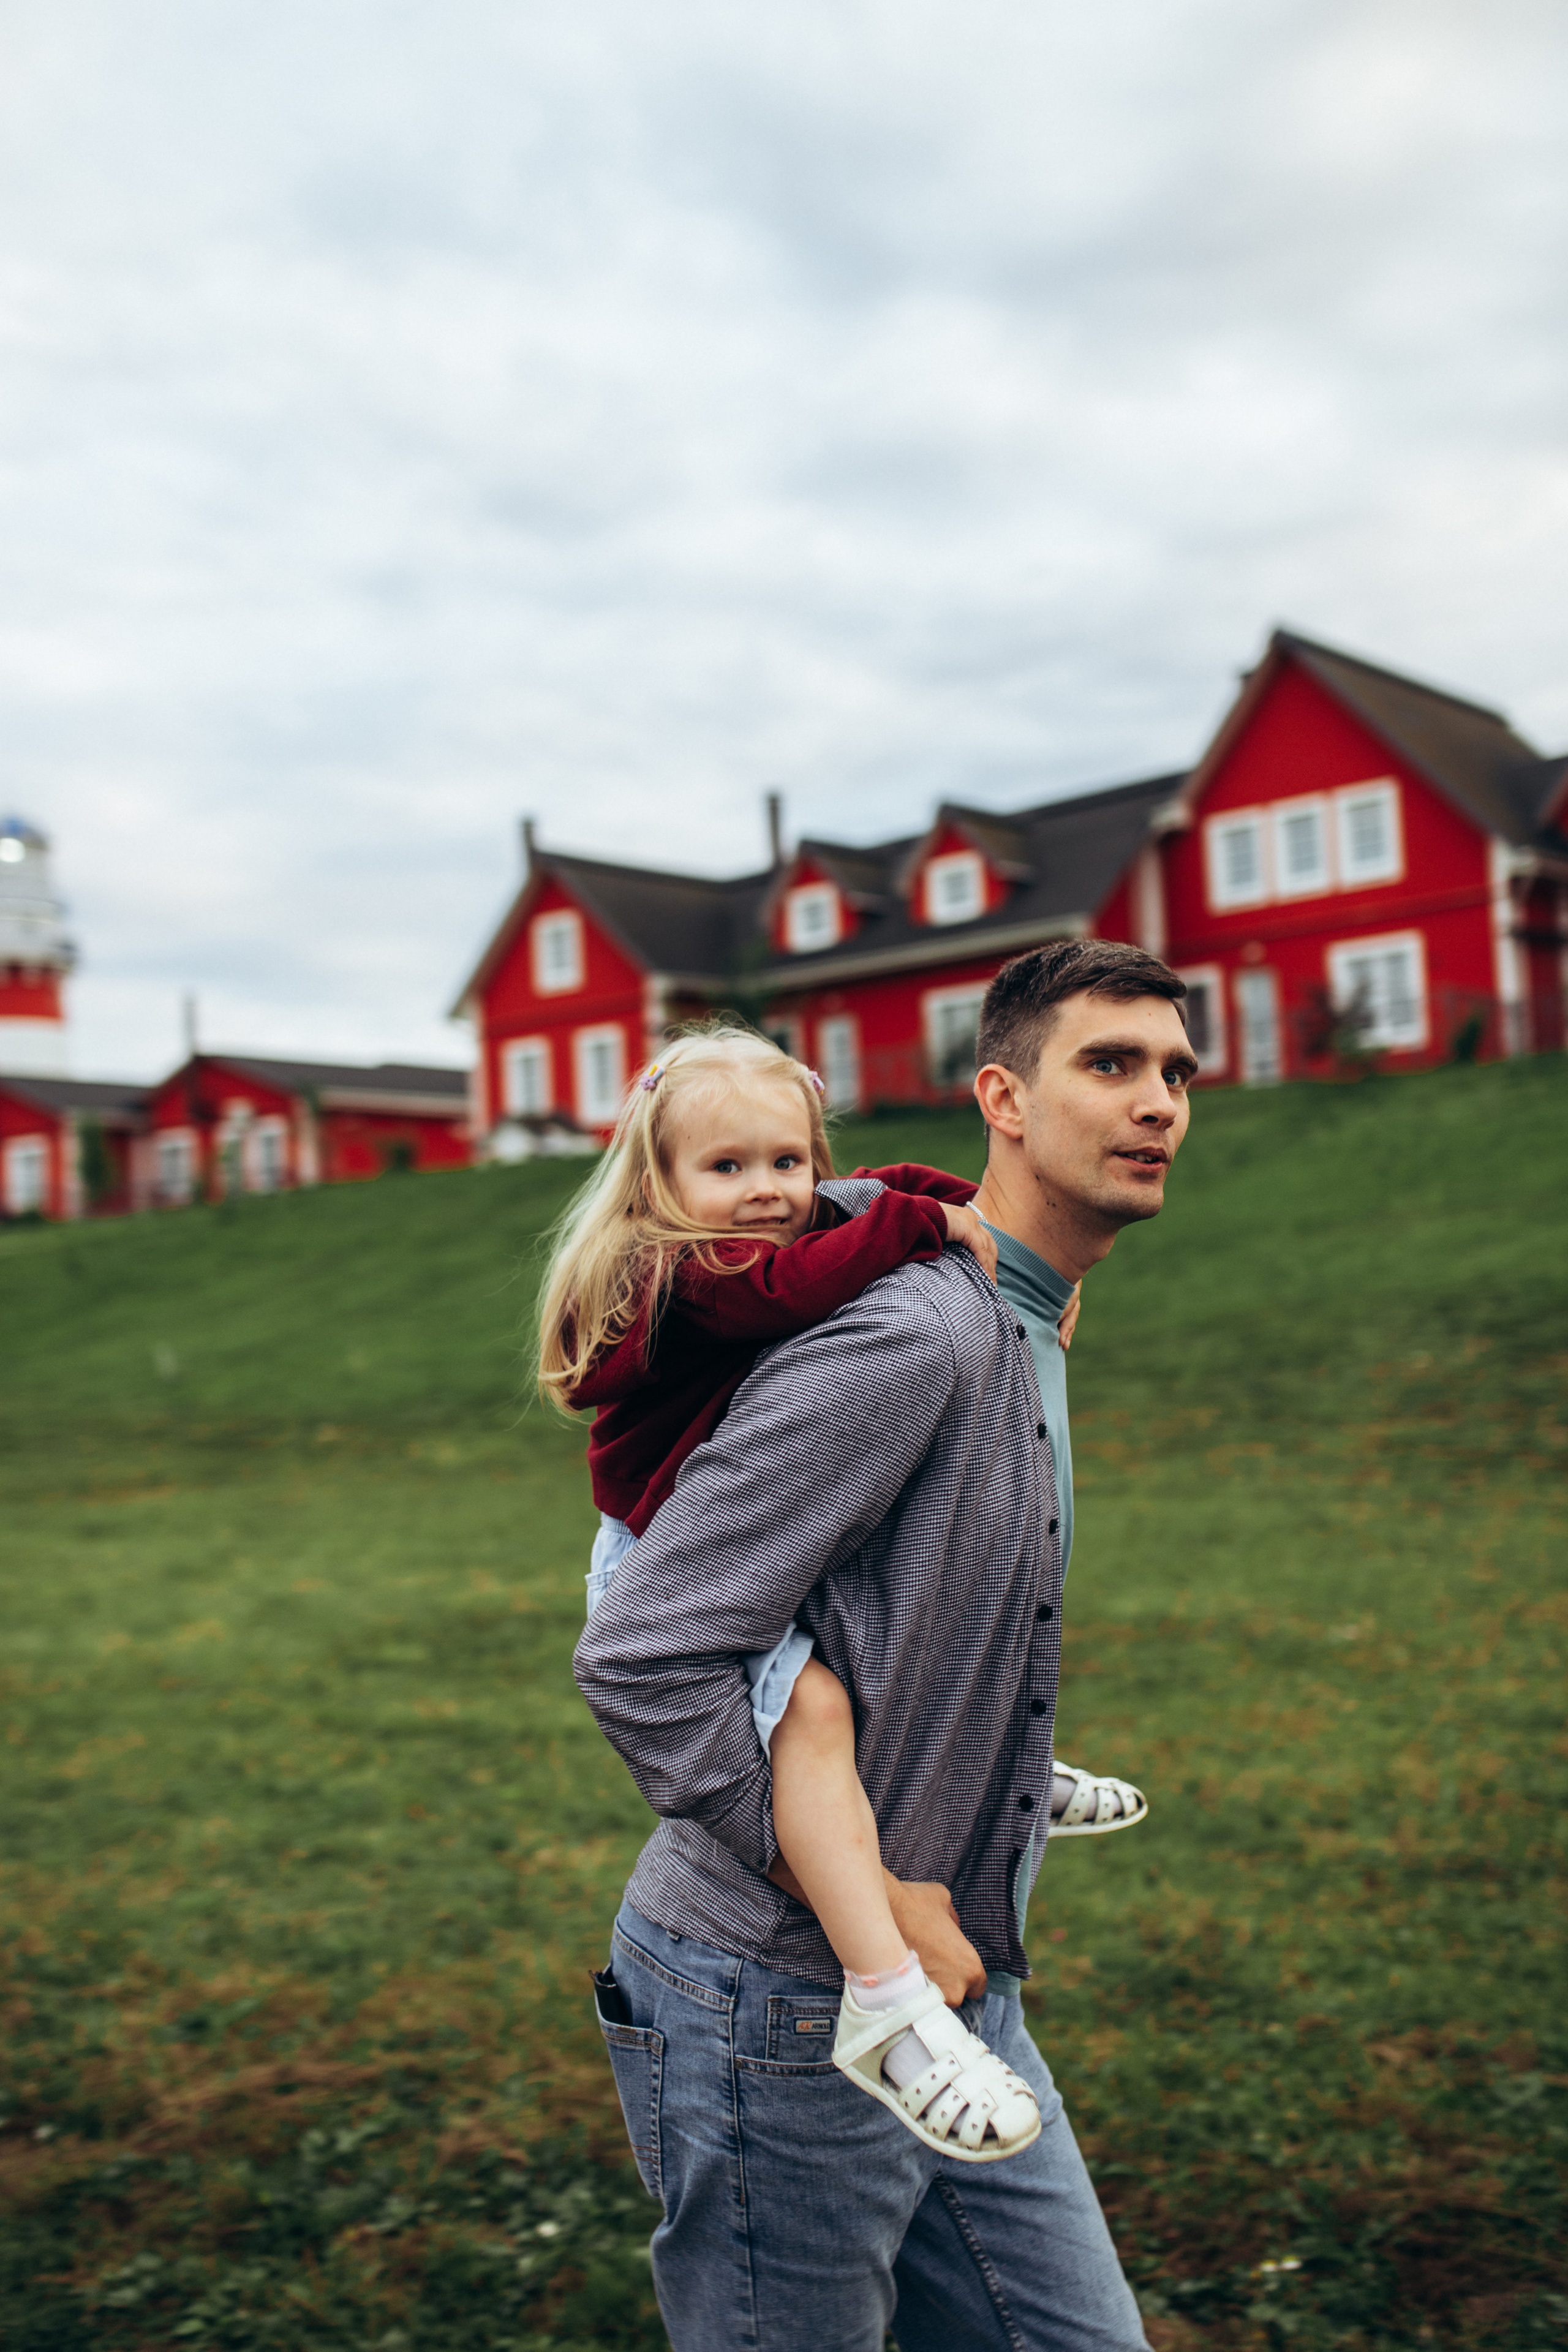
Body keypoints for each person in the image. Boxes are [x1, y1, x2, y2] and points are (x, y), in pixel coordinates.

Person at [575, 940, 1196, 2351]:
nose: (1156, 1101)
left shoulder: (1024, 1315)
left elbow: (913, 1615)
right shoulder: (917, 1333)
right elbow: (644, 1653)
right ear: (1004, 1099)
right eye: (1107, 1065)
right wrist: (870, 1903)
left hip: (958, 1979)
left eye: (1173, 1072)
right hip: (778, 2004)